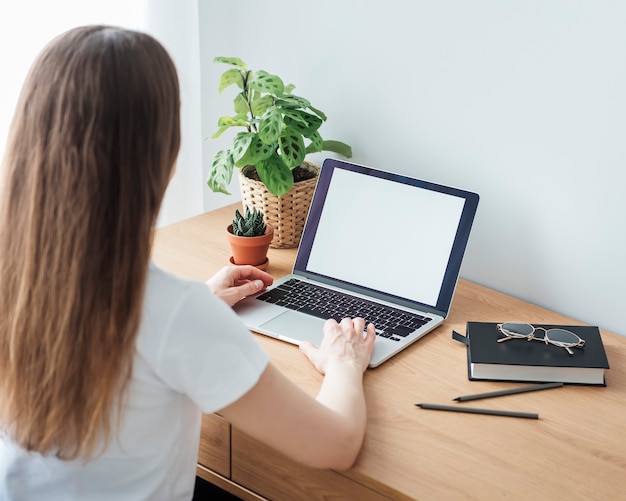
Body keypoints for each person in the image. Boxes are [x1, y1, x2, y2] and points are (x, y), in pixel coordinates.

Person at [0, 25, 375, 500]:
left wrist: (195, 302)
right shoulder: (172, 315)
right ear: (163, 157)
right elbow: (336, 444)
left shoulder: (19, 277)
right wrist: (344, 362)